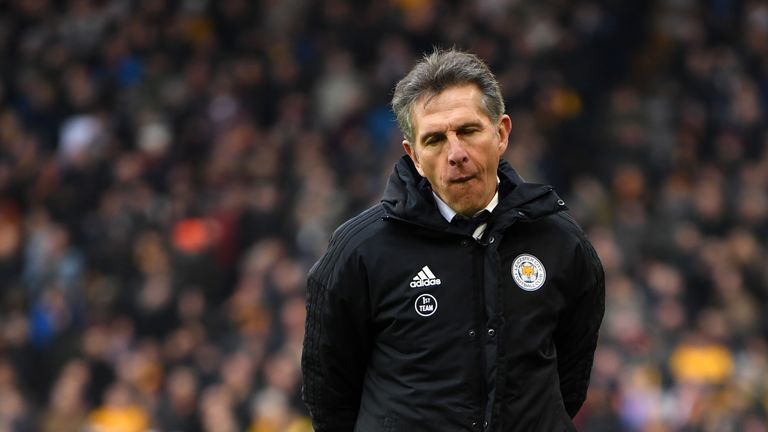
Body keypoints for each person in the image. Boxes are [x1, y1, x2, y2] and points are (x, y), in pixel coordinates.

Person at [301, 48, 605, 432]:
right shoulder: (359, 251)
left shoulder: (559, 240)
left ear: (501, 133)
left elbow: (570, 380)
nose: (456, 153)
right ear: (413, 156)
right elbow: (328, 394)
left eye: (468, 130)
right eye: (434, 140)